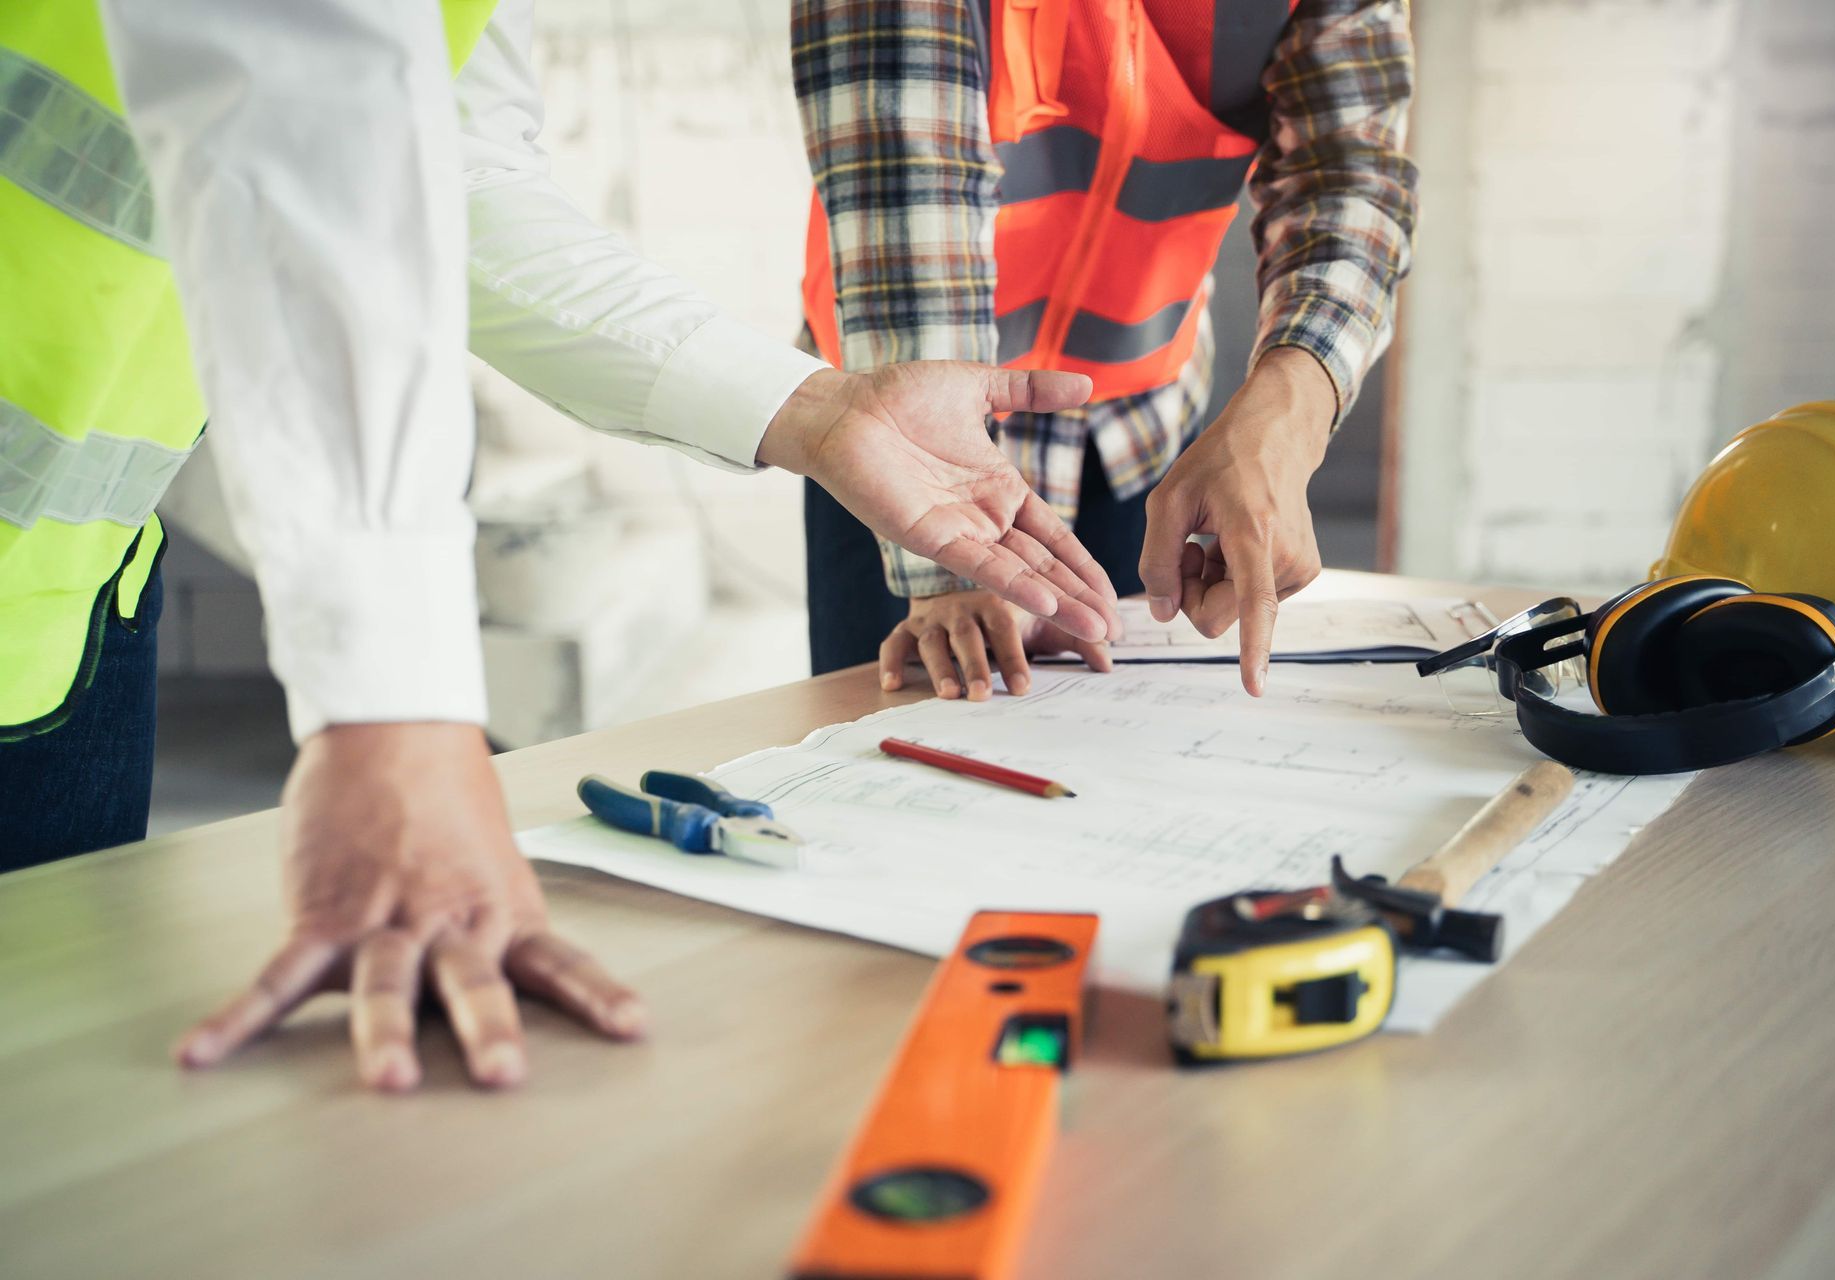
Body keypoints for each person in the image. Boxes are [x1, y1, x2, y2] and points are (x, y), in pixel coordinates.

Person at [0, 0, 1117, 1091]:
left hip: (67, 616)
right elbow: (295, 100)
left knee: (56, 1104)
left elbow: (455, 183)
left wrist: (816, 408)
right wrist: (391, 707)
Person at [795, 0, 1416, 697]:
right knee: (888, 755)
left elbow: (1348, 178)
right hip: (900, 425)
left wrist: (1288, 419)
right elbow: (902, 167)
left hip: (1141, 424)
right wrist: (953, 558)